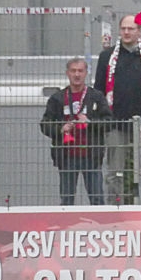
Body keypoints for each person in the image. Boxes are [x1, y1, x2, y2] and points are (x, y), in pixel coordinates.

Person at [94, 14, 141, 204]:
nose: (126, 32)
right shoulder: (107, 56)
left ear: (139, 31)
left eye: (131, 29)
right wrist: (103, 117)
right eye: (123, 28)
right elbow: (99, 90)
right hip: (114, 122)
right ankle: (114, 209)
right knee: (114, 172)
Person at [40, 57, 111, 205]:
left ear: (86, 73)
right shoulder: (57, 98)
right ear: (67, 73)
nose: (77, 74)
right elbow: (45, 124)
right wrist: (61, 129)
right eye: (73, 71)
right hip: (67, 156)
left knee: (97, 199)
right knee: (66, 199)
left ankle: (99, 220)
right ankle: (66, 221)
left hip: (91, 155)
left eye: (80, 71)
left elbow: (109, 122)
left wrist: (90, 123)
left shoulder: (96, 96)